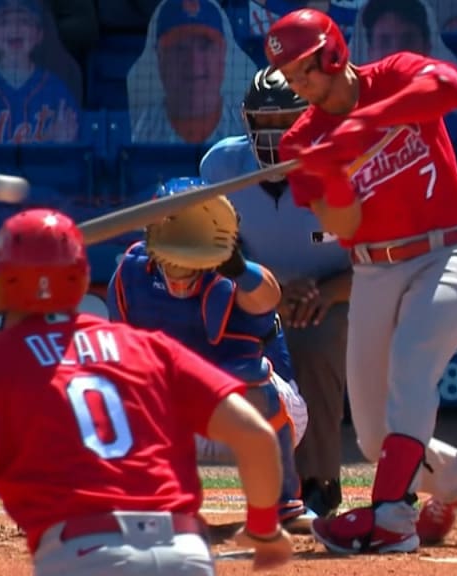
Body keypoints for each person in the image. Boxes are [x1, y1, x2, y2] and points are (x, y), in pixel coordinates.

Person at [0, 208, 295, 575]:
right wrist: (263, 527)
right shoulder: (148, 348)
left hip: (84, 556)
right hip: (184, 552)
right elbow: (256, 435)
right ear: (80, 279)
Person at [264, 8, 457, 554]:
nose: (302, 88)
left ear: (334, 52)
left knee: (413, 362)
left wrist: (363, 127)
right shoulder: (302, 141)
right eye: (293, 80)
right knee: (373, 436)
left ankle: (392, 516)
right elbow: (343, 226)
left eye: (306, 72)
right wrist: (329, 172)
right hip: (373, 268)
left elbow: (449, 86)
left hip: (449, 252)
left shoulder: (391, 75)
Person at [105, 179, 318, 535]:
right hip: (180, 417)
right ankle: (144, 501)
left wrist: (235, 266)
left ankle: (283, 504)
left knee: (250, 377)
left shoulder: (235, 276)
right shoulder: (130, 274)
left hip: (257, 419)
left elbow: (268, 297)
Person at [199, 67, 352, 519]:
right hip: (256, 289)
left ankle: (319, 481)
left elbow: (380, 254)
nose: (274, 134)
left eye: (284, 120)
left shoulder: (348, 162)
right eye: (263, 123)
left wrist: (327, 294)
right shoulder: (221, 166)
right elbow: (221, 251)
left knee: (317, 341)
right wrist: (270, 292)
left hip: (344, 290)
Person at [0, 0, 81, 143]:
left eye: (25, 21)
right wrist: (45, 140)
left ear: (39, 35)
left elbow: (68, 153)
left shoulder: (57, 89)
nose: (15, 28)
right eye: (4, 22)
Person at [126, 0, 256, 144]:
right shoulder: (138, 132)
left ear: (222, 55)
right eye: (180, 48)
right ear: (160, 58)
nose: (194, 60)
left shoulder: (248, 129)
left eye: (205, 46)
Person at [348, 0, 457, 68]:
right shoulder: (348, 104)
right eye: (385, 41)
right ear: (370, 52)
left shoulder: (447, 101)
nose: (396, 52)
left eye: (408, 40)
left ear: (427, 48)